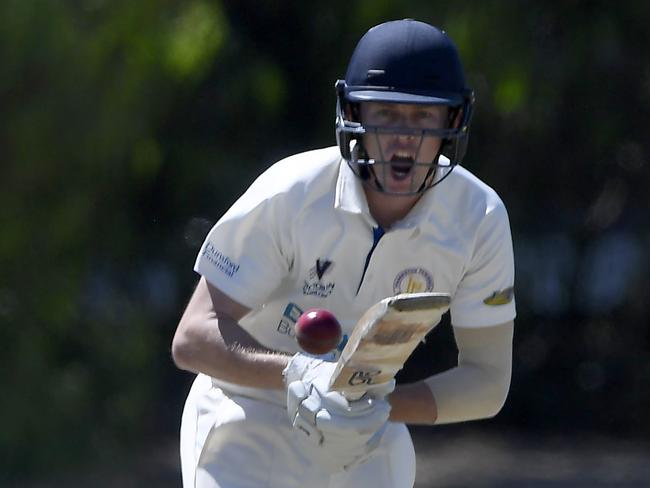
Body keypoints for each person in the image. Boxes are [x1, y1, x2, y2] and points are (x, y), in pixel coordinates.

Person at [172, 19, 516, 488]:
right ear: (353, 112)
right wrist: (297, 373)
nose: (404, 139)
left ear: (452, 122)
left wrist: (377, 406)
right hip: (249, 410)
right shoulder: (292, 193)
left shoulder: (478, 217)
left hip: (369, 422)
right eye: (387, 114)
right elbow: (192, 338)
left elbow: (487, 381)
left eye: (422, 117)